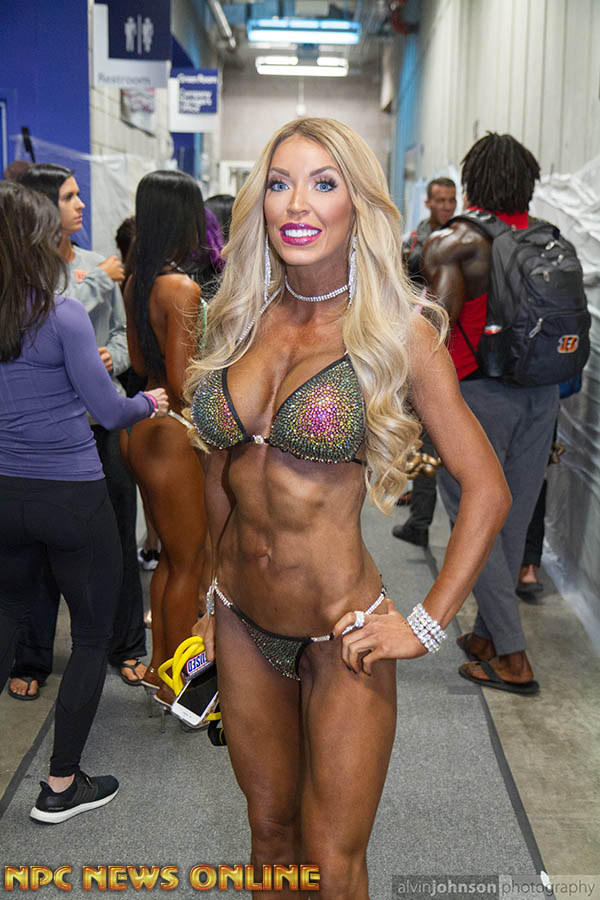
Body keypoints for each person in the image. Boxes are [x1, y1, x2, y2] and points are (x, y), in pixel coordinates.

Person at [185, 118, 510, 898]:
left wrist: (425, 624)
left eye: (323, 183)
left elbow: (487, 489)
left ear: (357, 203)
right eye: (279, 183)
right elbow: (221, 471)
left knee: (333, 863)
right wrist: (208, 594)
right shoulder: (235, 317)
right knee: (269, 836)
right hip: (242, 621)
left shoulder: (397, 333)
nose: (297, 203)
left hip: (343, 636)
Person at [0, 181, 168, 821]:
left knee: (8, 613)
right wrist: (147, 402)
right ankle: (62, 784)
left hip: (5, 493)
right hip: (70, 492)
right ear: (37, 242)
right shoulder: (62, 314)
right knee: (93, 634)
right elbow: (109, 410)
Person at [422, 132, 559, 696]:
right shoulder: (547, 239)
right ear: (527, 183)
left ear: (472, 181)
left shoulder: (456, 241)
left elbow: (431, 333)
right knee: (511, 523)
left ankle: (513, 656)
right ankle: (485, 636)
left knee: (474, 522)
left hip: (477, 398)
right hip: (543, 397)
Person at [9, 163, 147, 694]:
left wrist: (110, 356)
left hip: (101, 422)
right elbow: (44, 319)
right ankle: (31, 659)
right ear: (42, 208)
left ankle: (127, 645)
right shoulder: (30, 274)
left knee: (118, 537)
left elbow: (120, 334)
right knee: (37, 555)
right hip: (44, 441)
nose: (80, 205)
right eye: (68, 197)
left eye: (78, 195)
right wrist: (97, 284)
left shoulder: (95, 264)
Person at [123, 170, 208, 709]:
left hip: (142, 426)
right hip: (175, 431)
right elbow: (182, 382)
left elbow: (138, 363)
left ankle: (160, 671)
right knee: (189, 562)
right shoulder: (182, 289)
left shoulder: (137, 281)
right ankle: (179, 680)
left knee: (172, 561)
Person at [393, 177, 457, 547]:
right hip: (422, 346)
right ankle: (419, 514)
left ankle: (420, 517)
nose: (446, 206)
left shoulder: (465, 240)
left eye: (451, 200)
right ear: (429, 202)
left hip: (455, 351)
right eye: (440, 200)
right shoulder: (415, 243)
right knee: (420, 434)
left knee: (432, 437)